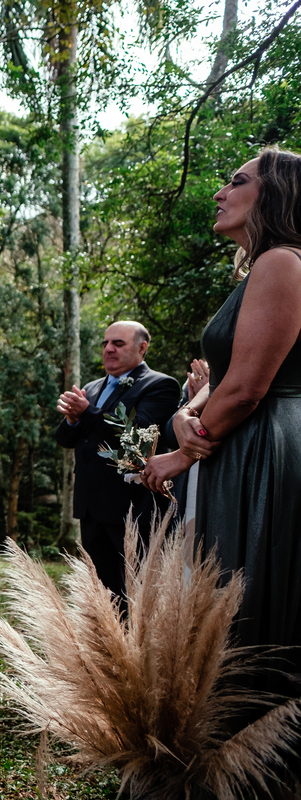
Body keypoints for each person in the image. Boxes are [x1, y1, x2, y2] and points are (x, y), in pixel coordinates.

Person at [143, 149, 301, 781]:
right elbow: (225, 381)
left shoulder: (283, 262)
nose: (219, 193)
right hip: (242, 438)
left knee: (253, 592)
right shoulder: (258, 270)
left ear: (275, 195)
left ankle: (254, 763)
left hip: (268, 445)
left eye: (237, 182)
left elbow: (250, 388)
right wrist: (188, 412)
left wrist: (184, 451)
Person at [54, 321, 178, 600]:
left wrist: (86, 413)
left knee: (137, 588)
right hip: (91, 507)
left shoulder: (160, 385)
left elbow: (137, 436)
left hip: (132, 507)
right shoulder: (92, 387)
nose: (108, 349)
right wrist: (73, 420)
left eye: (118, 343)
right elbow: (65, 439)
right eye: (106, 343)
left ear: (142, 348)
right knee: (102, 590)